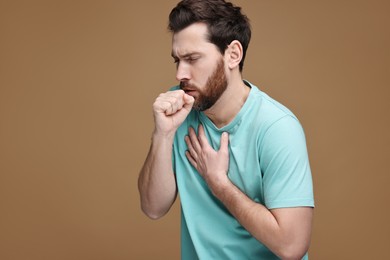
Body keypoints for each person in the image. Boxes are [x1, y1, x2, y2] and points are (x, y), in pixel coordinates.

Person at [138, 0, 315, 259]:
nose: (180, 74)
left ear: (233, 54)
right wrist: (162, 134)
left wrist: (219, 183)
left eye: (192, 59)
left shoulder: (278, 128)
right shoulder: (179, 108)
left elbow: (291, 246)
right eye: (177, 60)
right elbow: (153, 208)